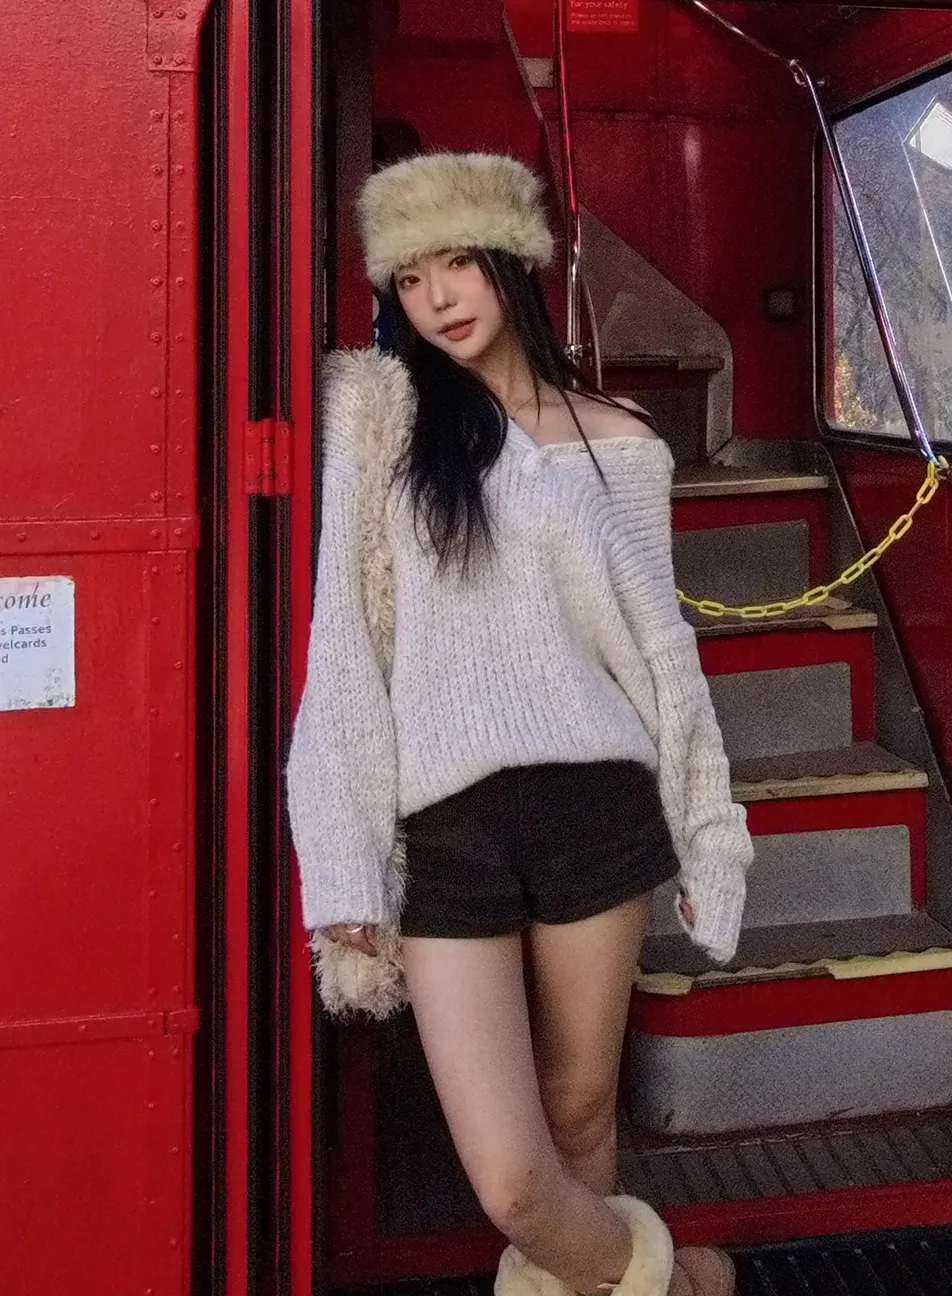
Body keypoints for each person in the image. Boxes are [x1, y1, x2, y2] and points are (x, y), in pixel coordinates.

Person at [286, 151, 752, 1296]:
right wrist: (340, 855)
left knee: (581, 1110)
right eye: (410, 279)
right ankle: (679, 1283)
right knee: (512, 1179)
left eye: (458, 264)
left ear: (513, 263)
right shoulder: (379, 425)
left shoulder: (618, 440)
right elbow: (342, 643)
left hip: (597, 807)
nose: (438, 298)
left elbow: (659, 656)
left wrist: (707, 831)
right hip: (446, 825)